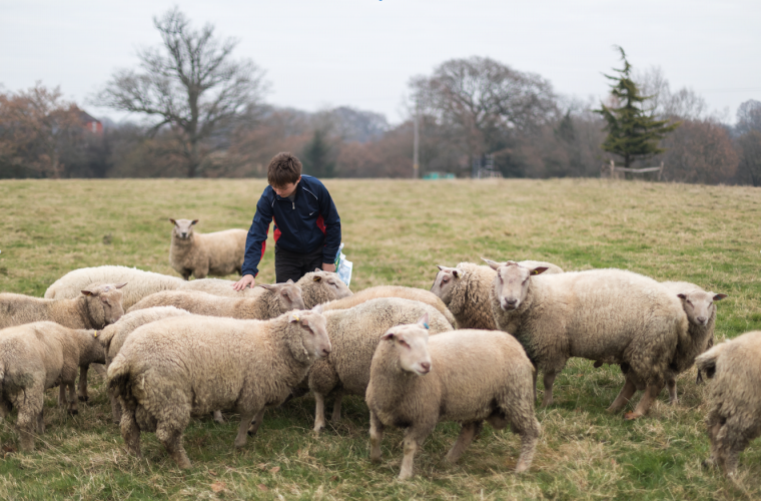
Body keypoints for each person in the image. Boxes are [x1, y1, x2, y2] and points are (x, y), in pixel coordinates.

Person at [233, 152, 341, 290]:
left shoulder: (316, 189)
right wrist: (248, 271)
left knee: (318, 301)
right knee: (286, 301)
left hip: (317, 253)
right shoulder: (268, 198)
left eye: (283, 188)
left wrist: (329, 260)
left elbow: (333, 223)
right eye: (273, 186)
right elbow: (256, 233)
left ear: (297, 179)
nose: (277, 192)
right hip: (286, 255)